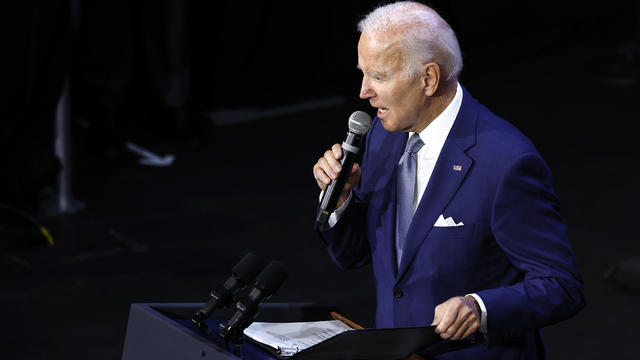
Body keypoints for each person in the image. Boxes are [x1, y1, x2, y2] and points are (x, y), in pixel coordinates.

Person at [312, 2, 585, 359]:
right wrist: (342, 199)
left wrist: (480, 307)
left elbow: (562, 286)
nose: (364, 91)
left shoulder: (506, 161)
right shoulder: (382, 134)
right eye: (363, 74)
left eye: (378, 76)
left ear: (428, 79)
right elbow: (355, 254)